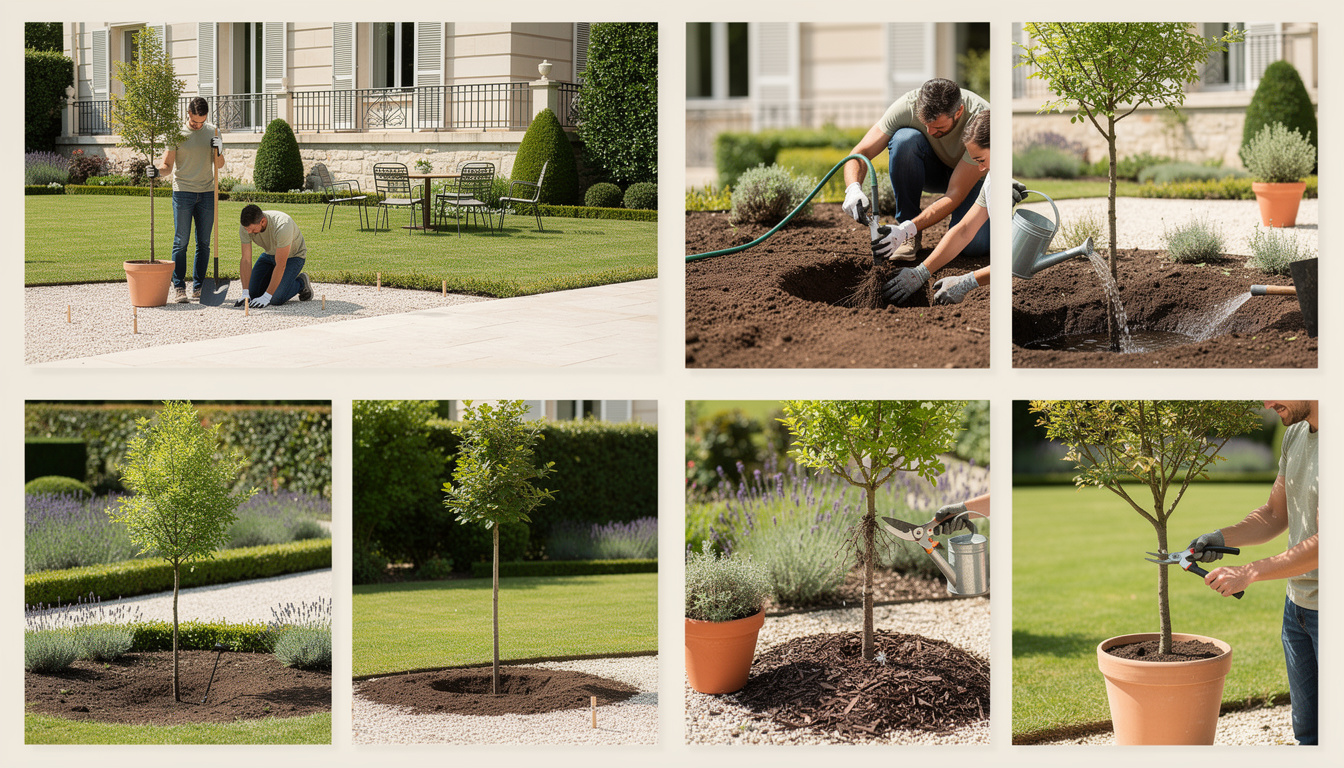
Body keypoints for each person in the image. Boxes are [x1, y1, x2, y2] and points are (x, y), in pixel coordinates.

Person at [1190, 400, 1318, 745]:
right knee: (1308, 734)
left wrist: (1249, 572)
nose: (1267, 403)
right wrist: (1221, 538)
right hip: (1298, 610)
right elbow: (1276, 514)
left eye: (1278, 390)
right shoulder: (1294, 434)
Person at [841, 78, 989, 260]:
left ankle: (1003, 216)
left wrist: (906, 229)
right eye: (925, 124)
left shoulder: (980, 118)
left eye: (938, 127)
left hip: (973, 177)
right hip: (933, 169)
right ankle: (908, 236)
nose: (930, 132)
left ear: (958, 112)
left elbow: (955, 193)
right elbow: (860, 152)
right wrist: (853, 189)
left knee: (973, 246)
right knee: (904, 140)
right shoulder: (907, 106)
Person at [880, 110, 999, 305]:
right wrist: (921, 272)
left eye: (980, 160)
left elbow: (1017, 261)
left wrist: (968, 281)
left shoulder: (1009, 187)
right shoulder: (992, 181)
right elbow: (964, 229)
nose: (979, 169)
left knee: (980, 244)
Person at [147, 97, 225, 304]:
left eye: (202, 122)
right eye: (195, 122)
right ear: (188, 113)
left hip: (207, 193)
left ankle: (198, 287)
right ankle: (179, 286)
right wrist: (155, 171)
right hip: (183, 192)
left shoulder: (213, 132)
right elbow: (167, 166)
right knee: (181, 241)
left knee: (204, 243)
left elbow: (220, 165)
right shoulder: (176, 134)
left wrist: (220, 148)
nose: (198, 125)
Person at [236, 205, 313, 308]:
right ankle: (276, 284)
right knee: (252, 294)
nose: (249, 232)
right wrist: (245, 292)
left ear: (262, 222)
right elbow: (246, 259)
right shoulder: (246, 227)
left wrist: (267, 296)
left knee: (276, 298)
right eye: (247, 229)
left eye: (253, 230)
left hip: (293, 257)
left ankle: (301, 283)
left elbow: (280, 265)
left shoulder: (282, 225)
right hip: (269, 255)